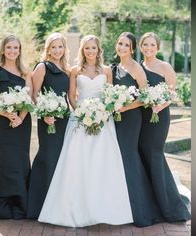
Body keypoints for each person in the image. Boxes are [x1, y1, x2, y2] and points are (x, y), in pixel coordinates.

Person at [38, 34, 133, 227]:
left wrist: (100, 114)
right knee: (76, 162)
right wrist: (82, 113)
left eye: (94, 48)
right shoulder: (74, 70)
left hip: (103, 122)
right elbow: (72, 96)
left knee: (102, 163)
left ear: (99, 50)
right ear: (82, 50)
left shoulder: (107, 71)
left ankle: (105, 209)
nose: (90, 51)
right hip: (80, 121)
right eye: (87, 48)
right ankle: (73, 209)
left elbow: (109, 96)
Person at [111, 32, 163, 226]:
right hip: (115, 119)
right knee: (117, 158)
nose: (122, 47)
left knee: (129, 155)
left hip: (131, 118)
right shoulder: (114, 67)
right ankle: (121, 205)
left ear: (132, 48)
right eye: (120, 43)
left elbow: (145, 97)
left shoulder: (136, 68)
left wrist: (126, 106)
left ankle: (141, 209)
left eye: (126, 45)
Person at [138, 32, 191, 222]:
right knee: (142, 153)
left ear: (158, 47)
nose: (149, 48)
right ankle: (150, 200)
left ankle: (168, 204)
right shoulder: (138, 67)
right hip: (142, 117)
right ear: (141, 47)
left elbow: (171, 93)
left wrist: (158, 106)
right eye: (145, 45)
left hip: (159, 117)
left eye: (152, 45)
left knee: (154, 153)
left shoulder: (164, 66)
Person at [0, 35, 33, 219]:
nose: (13, 51)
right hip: (2, 123)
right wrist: (6, 114)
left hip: (22, 123)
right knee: (2, 159)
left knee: (19, 161)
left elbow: (28, 98)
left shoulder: (25, 72)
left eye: (16, 48)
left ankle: (20, 205)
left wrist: (20, 117)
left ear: (20, 50)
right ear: (3, 49)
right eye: (9, 47)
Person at [26, 32, 70, 219]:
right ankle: (37, 204)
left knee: (61, 158)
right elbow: (34, 94)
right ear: (48, 49)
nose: (57, 50)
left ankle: (57, 203)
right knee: (47, 156)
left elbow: (69, 96)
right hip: (48, 119)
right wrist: (44, 115)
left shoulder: (67, 69)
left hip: (64, 119)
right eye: (53, 47)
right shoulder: (42, 67)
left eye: (60, 47)